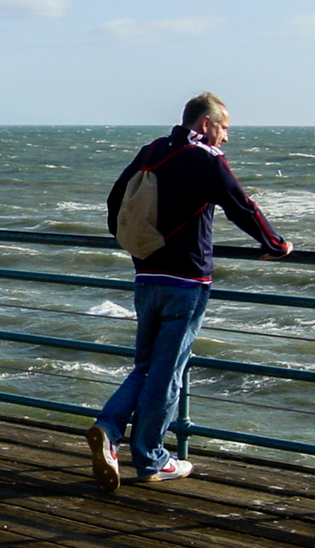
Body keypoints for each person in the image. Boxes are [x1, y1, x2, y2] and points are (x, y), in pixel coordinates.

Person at [87, 92, 293, 491]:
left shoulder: (151, 150)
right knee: (166, 374)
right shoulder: (205, 157)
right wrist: (274, 244)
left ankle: (112, 432)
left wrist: (138, 246)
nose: (226, 138)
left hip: (146, 276)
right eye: (224, 127)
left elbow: (116, 201)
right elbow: (240, 204)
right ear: (204, 124)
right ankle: (145, 455)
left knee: (146, 367)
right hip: (186, 282)